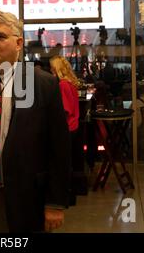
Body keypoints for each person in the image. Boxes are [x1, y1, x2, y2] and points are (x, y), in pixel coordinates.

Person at [0, 10, 71, 232]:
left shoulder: (43, 85)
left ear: (18, 43)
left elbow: (59, 148)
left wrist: (55, 203)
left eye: (0, 37)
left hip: (25, 198)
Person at [50, 56, 86, 203]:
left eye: (52, 69)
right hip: (74, 126)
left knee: (62, 164)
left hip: (67, 129)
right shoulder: (70, 84)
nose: (51, 72)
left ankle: (66, 196)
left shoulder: (62, 85)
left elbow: (65, 110)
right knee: (68, 162)